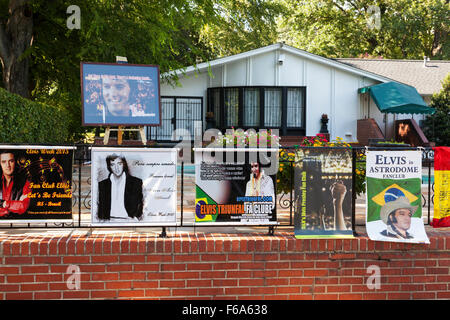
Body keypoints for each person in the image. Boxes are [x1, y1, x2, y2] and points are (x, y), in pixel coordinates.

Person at [97, 154, 143, 221]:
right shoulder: (103, 184)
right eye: (113, 165)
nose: (116, 168)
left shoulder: (136, 182)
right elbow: (100, 206)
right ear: (109, 167)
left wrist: (135, 217)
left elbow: (141, 202)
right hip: (108, 220)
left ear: (124, 165)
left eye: (119, 164)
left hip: (129, 220)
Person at [0, 151, 31, 217]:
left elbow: (23, 206)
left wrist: (3, 204)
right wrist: (14, 206)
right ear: (0, 164)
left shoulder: (25, 181)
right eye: (4, 162)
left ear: (15, 162)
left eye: (11, 161)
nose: (8, 165)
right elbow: (19, 206)